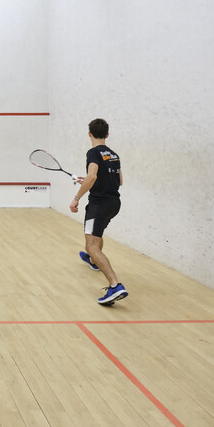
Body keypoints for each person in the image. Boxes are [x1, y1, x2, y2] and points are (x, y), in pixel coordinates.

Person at [69, 118, 127, 305]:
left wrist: (77, 197)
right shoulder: (114, 155)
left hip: (98, 205)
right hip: (113, 204)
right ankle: (94, 262)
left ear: (90, 134)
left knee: (91, 246)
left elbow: (93, 175)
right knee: (96, 235)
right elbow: (118, 181)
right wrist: (85, 180)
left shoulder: (92, 152)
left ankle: (114, 285)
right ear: (107, 135)